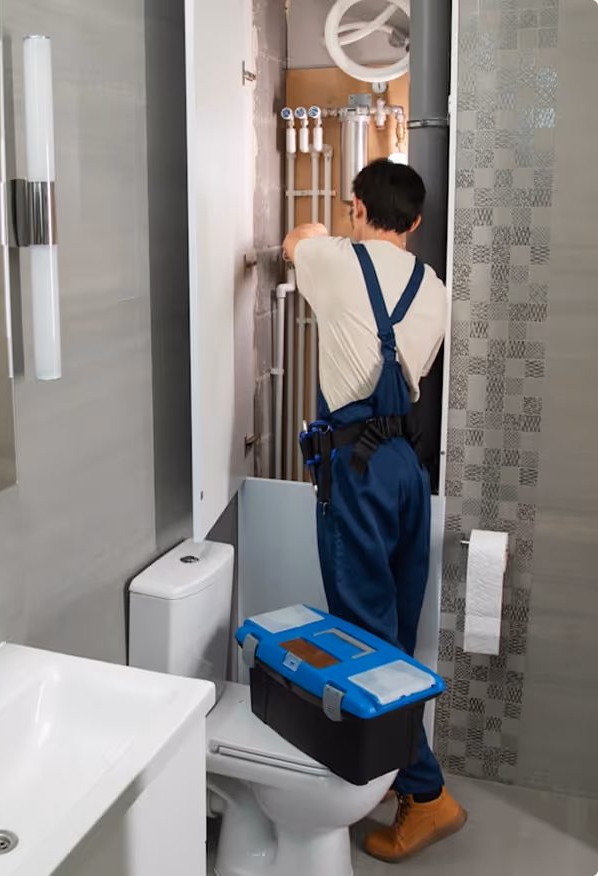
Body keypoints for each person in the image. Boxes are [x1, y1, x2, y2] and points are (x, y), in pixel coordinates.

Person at [283, 158, 466, 863]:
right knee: (395, 636)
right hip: (405, 470)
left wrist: (319, 231)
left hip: (355, 470)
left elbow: (296, 240)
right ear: (415, 222)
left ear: (357, 209)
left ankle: (425, 792)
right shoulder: (436, 288)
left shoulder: (333, 260)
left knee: (364, 638)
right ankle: (395, 768)